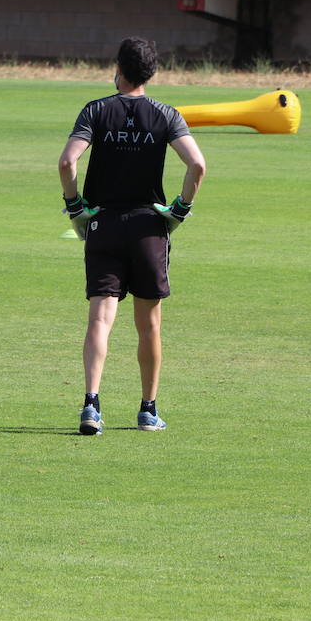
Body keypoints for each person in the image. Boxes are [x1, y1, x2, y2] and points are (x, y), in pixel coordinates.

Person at [58, 36, 206, 436]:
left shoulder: (96, 110)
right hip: (148, 229)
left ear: (118, 69)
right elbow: (197, 165)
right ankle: (147, 410)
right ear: (151, 73)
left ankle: (91, 406)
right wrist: (180, 209)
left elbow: (68, 162)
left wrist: (75, 206)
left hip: (103, 224)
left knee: (100, 318)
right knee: (149, 325)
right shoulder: (166, 114)